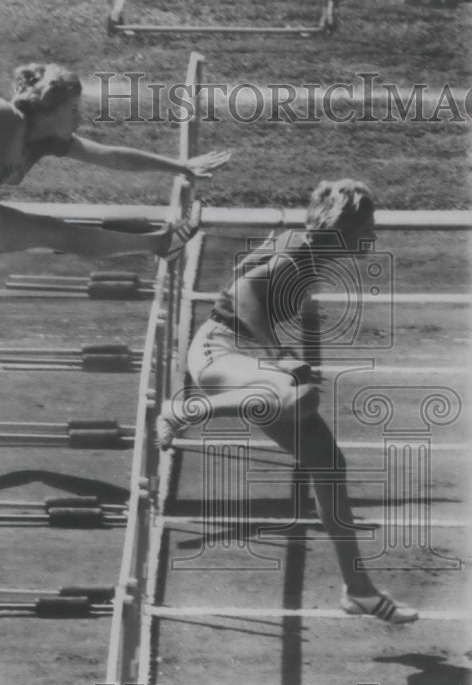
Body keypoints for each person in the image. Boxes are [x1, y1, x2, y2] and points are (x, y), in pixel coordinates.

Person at [157, 178, 418, 624]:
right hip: (218, 350)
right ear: (344, 225)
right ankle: (184, 410)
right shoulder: (303, 250)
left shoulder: (314, 251)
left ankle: (359, 591)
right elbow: (243, 294)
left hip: (241, 354)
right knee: (294, 395)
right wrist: (281, 355)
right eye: (368, 224)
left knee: (329, 464)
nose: (373, 235)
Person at [0, 62, 230, 286]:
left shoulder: (45, 142)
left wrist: (179, 166)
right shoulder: (2, 117)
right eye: (72, 110)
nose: (78, 118)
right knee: (57, 232)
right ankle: (162, 244)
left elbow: (112, 157)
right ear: (48, 110)